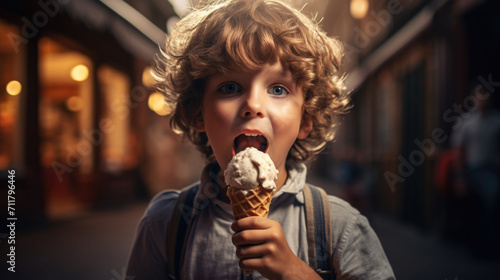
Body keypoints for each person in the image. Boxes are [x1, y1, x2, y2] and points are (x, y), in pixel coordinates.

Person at [126, 0, 395, 279]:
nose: (253, 104)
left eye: (278, 89)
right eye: (230, 87)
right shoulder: (166, 224)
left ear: (305, 119)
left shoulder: (340, 227)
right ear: (197, 112)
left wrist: (296, 272)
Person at [452, 85, 500, 257]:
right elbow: (457, 151)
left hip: (492, 168)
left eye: (485, 96)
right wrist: (459, 177)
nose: (483, 100)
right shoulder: (466, 122)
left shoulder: (496, 121)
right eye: (479, 96)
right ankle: (484, 244)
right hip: (473, 169)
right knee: (489, 196)